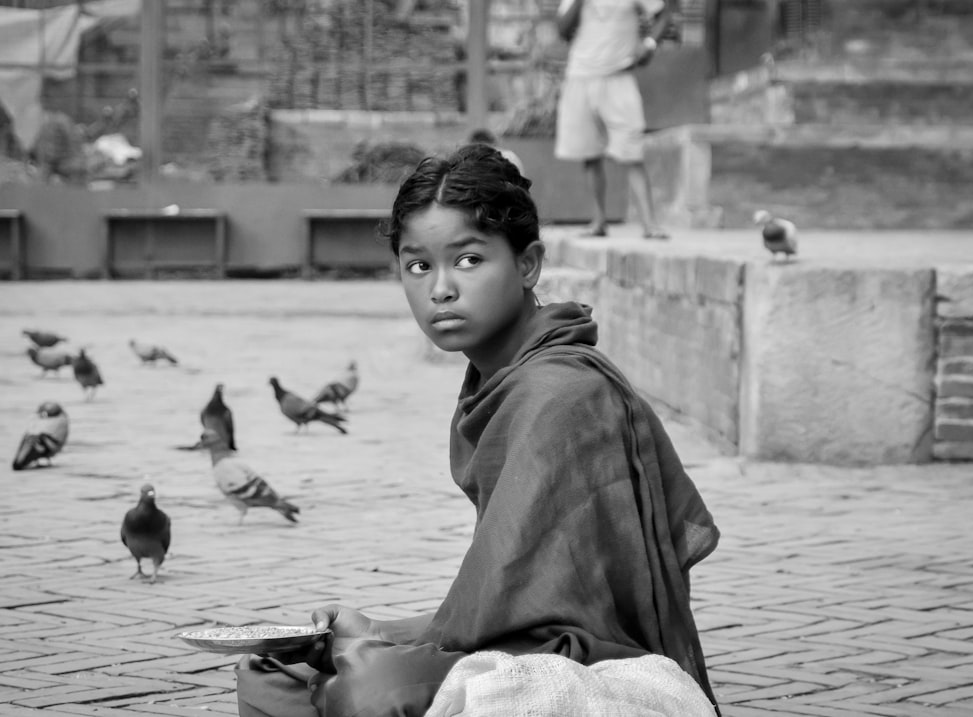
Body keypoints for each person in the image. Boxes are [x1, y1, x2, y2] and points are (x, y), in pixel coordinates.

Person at [235, 144, 720, 717]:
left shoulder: (561, 394)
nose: (440, 288)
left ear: (528, 264)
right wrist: (374, 630)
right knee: (276, 667)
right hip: (516, 636)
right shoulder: (497, 381)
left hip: (588, 661)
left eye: (467, 260)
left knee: (372, 691)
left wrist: (384, 644)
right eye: (419, 265)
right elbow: (498, 597)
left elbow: (533, 616)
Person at [555, 0, 672, 239]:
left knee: (632, 150)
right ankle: (598, 221)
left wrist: (649, 44)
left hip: (620, 75)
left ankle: (650, 224)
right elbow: (563, 30)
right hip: (580, 75)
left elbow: (663, 15)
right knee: (589, 153)